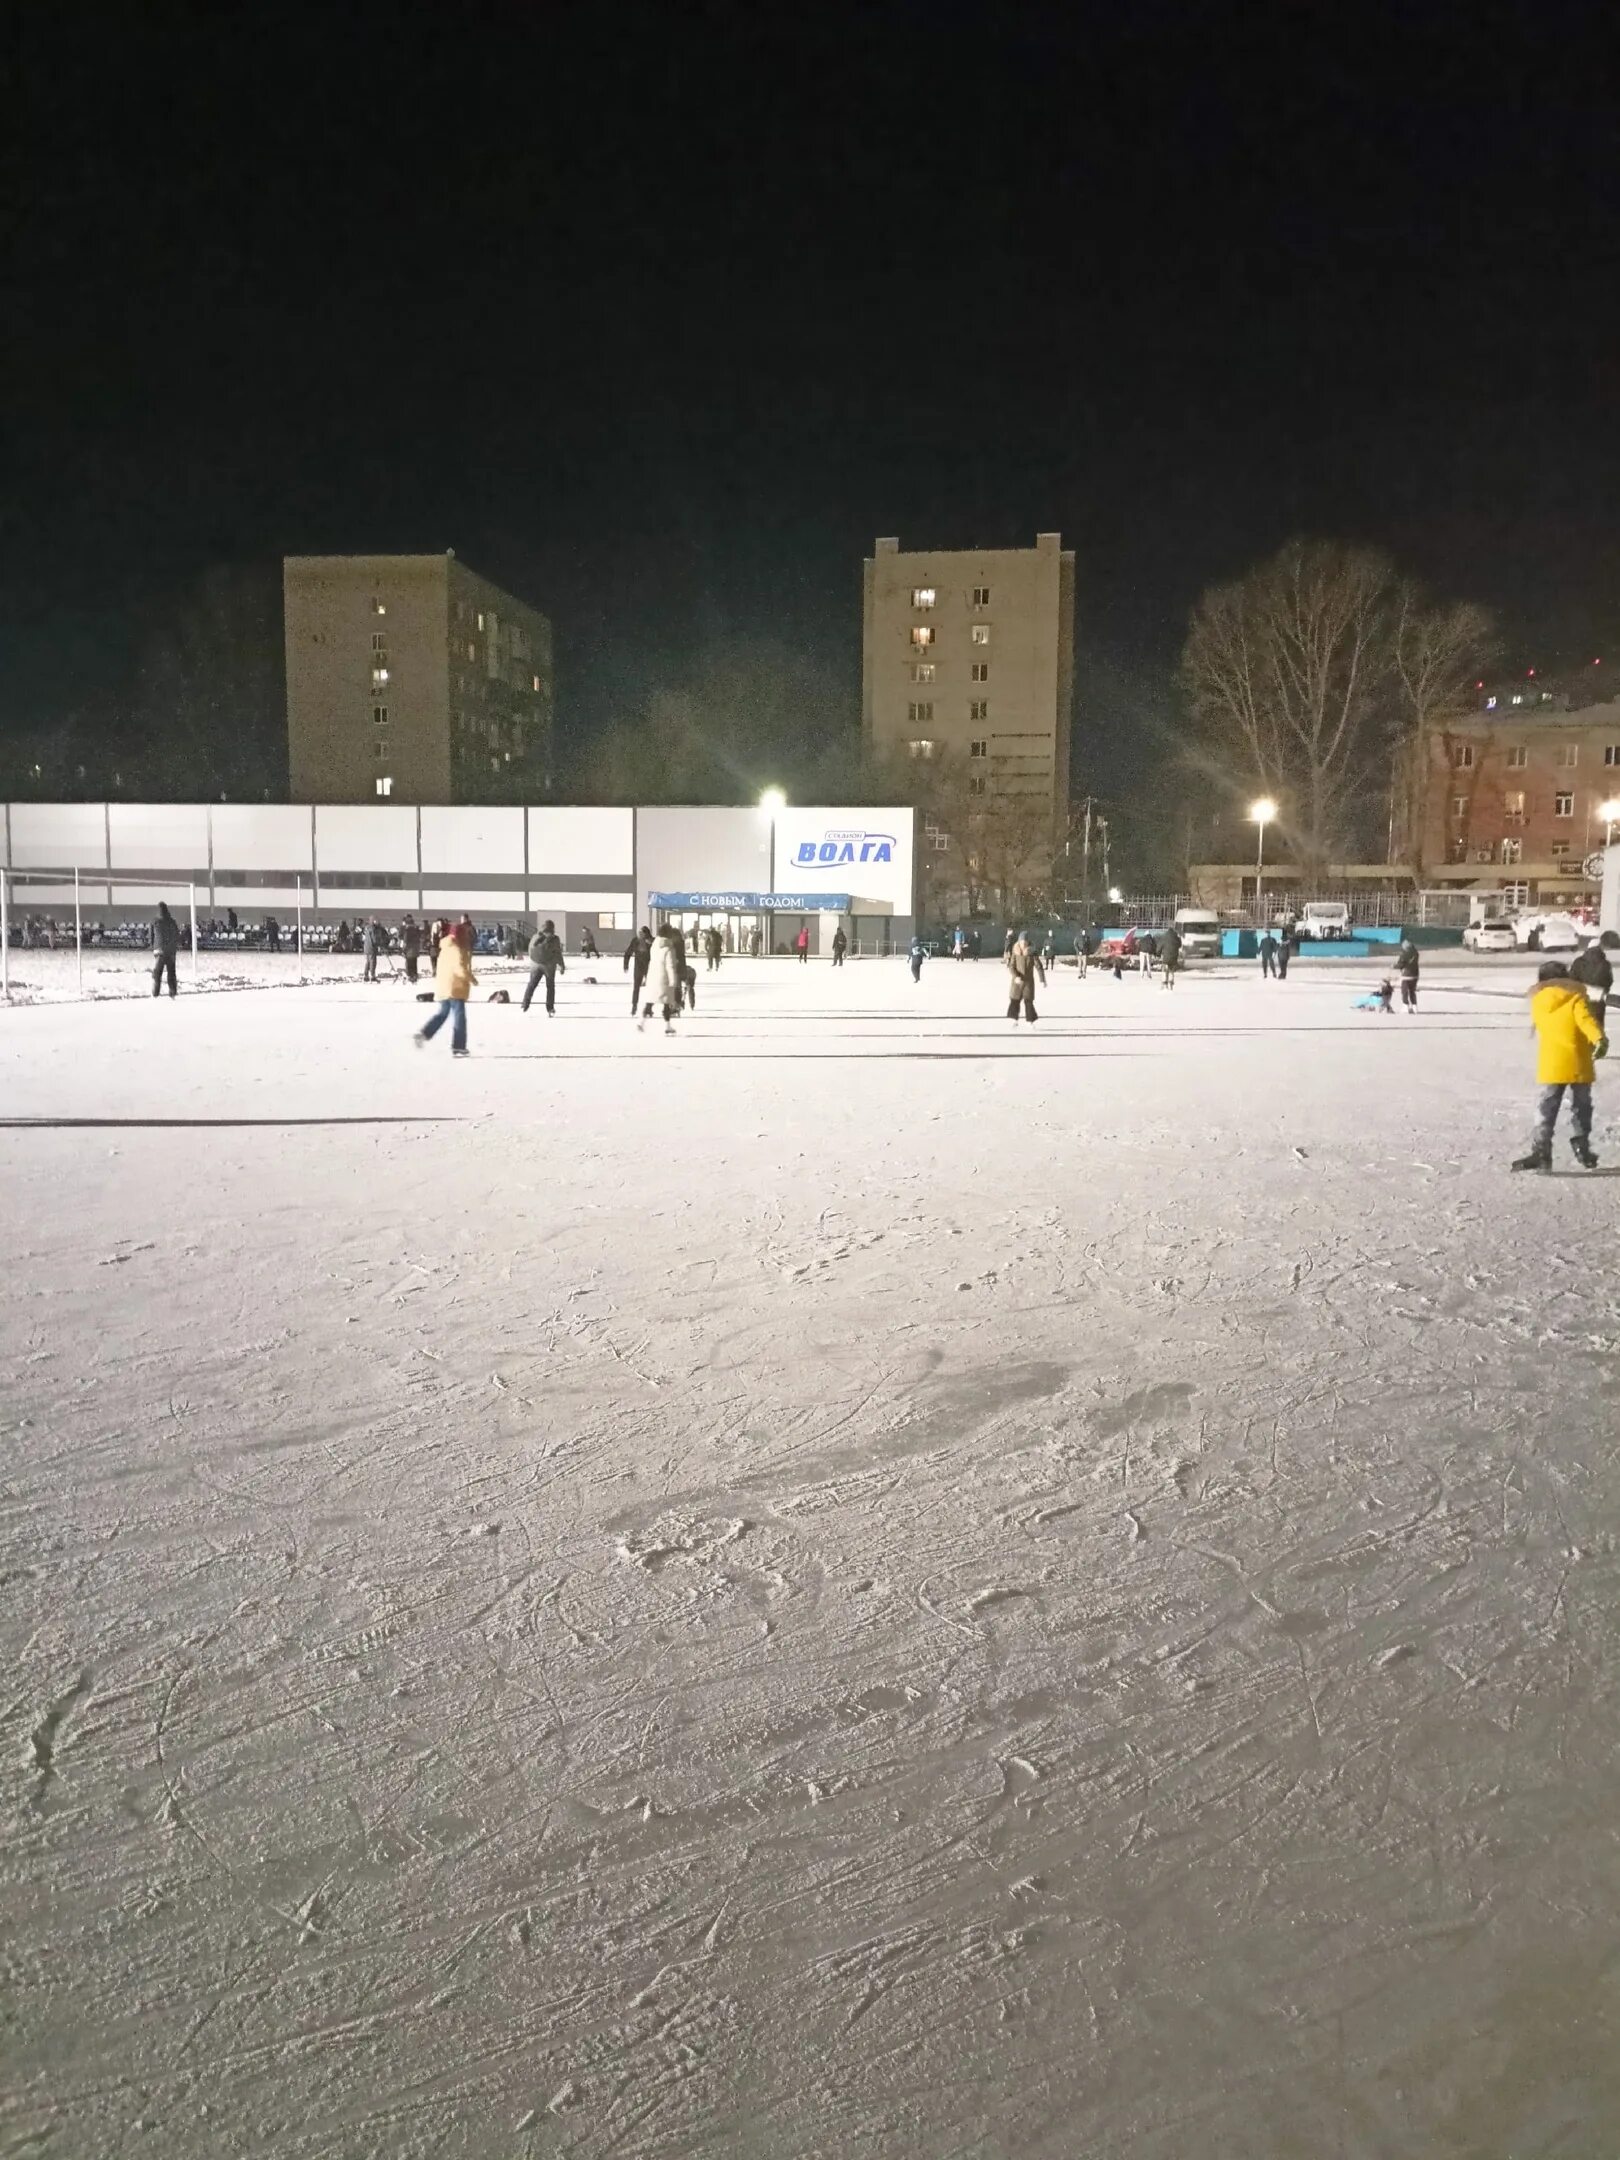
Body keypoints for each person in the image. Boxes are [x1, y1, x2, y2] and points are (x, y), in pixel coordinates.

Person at [1512, 959, 1606, 1171]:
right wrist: (1599, 1039)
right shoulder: (1575, 998)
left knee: (1546, 1107)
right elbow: (1585, 1020)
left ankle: (1541, 1152)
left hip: (1552, 1063)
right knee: (1581, 1107)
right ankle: (1582, 1147)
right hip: (1578, 1062)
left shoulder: (1538, 1001)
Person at [415, 919, 475, 1056]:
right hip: (455, 988)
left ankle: (424, 1034)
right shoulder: (457, 949)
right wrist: (471, 978)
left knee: (442, 1014)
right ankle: (459, 1046)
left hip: (443, 988)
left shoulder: (445, 948)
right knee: (460, 1017)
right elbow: (459, 968)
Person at [639, 925, 682, 1034]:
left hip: (653, 977)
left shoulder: (655, 946)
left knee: (650, 1001)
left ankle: (641, 1022)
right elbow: (670, 966)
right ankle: (667, 1027)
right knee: (666, 1004)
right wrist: (673, 980)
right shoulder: (668, 948)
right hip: (664, 979)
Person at [1569, 929, 1617, 1024]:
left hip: (1581, 998)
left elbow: (1572, 979)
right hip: (1599, 1000)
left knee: (1583, 1024)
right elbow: (1609, 980)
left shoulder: (1578, 962)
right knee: (1597, 1025)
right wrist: (1603, 990)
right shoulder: (1605, 963)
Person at [523, 918, 565, 1015]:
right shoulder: (555, 939)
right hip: (549, 966)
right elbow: (558, 953)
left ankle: (525, 1003)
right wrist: (562, 965)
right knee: (550, 987)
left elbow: (529, 950)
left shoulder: (535, 936)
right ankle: (550, 1008)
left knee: (532, 984)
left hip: (535, 964)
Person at [1006, 930, 1045, 1023]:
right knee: (1014, 1001)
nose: (1023, 944)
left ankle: (1030, 1021)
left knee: (1028, 1002)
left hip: (1028, 982)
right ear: (1019, 942)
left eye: (1025, 942)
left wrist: (1042, 979)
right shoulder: (1015, 952)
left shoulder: (1032, 953)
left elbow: (1039, 966)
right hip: (1017, 982)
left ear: (1027, 942)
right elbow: (1011, 966)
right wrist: (1016, 976)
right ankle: (1013, 1019)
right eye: (1021, 942)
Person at [151, 902, 181, 998]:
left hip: (159, 950)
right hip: (171, 951)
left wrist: (154, 946)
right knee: (171, 972)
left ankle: (155, 992)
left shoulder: (155, 921)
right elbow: (177, 934)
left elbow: (150, 935)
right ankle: (172, 992)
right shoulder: (172, 921)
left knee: (157, 972)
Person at [624, 924, 653, 1015]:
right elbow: (628, 953)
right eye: (639, 933)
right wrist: (626, 965)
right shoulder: (635, 941)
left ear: (646, 934)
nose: (640, 935)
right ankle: (634, 1006)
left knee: (651, 988)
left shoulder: (652, 941)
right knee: (636, 987)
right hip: (638, 967)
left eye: (642, 933)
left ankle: (649, 1008)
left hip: (649, 967)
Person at [1395, 931, 1420, 1012]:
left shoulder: (1404, 954)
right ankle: (1414, 1007)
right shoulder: (1416, 953)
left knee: (1405, 991)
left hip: (1406, 975)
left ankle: (1405, 1005)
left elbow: (1401, 964)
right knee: (1412, 991)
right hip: (1415, 974)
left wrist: (1393, 966)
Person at [1158, 923, 1182, 989]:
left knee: (1164, 969)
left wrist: (1158, 953)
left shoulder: (1164, 936)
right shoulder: (1176, 937)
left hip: (1166, 957)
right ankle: (1171, 983)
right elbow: (1180, 945)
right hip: (1174, 956)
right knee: (1171, 970)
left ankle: (1164, 982)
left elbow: (1159, 947)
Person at [363, 916, 385, 983]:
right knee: (373, 962)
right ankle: (372, 976)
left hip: (366, 947)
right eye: (376, 921)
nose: (377, 922)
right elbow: (374, 939)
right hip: (372, 948)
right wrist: (380, 944)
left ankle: (366, 976)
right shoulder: (373, 929)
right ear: (373, 921)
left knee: (368, 962)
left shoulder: (367, 928)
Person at [400, 913, 421, 983]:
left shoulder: (406, 928)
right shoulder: (415, 926)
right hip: (415, 948)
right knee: (414, 962)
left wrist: (403, 949)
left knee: (409, 963)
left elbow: (404, 938)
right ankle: (414, 975)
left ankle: (410, 975)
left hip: (409, 948)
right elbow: (419, 936)